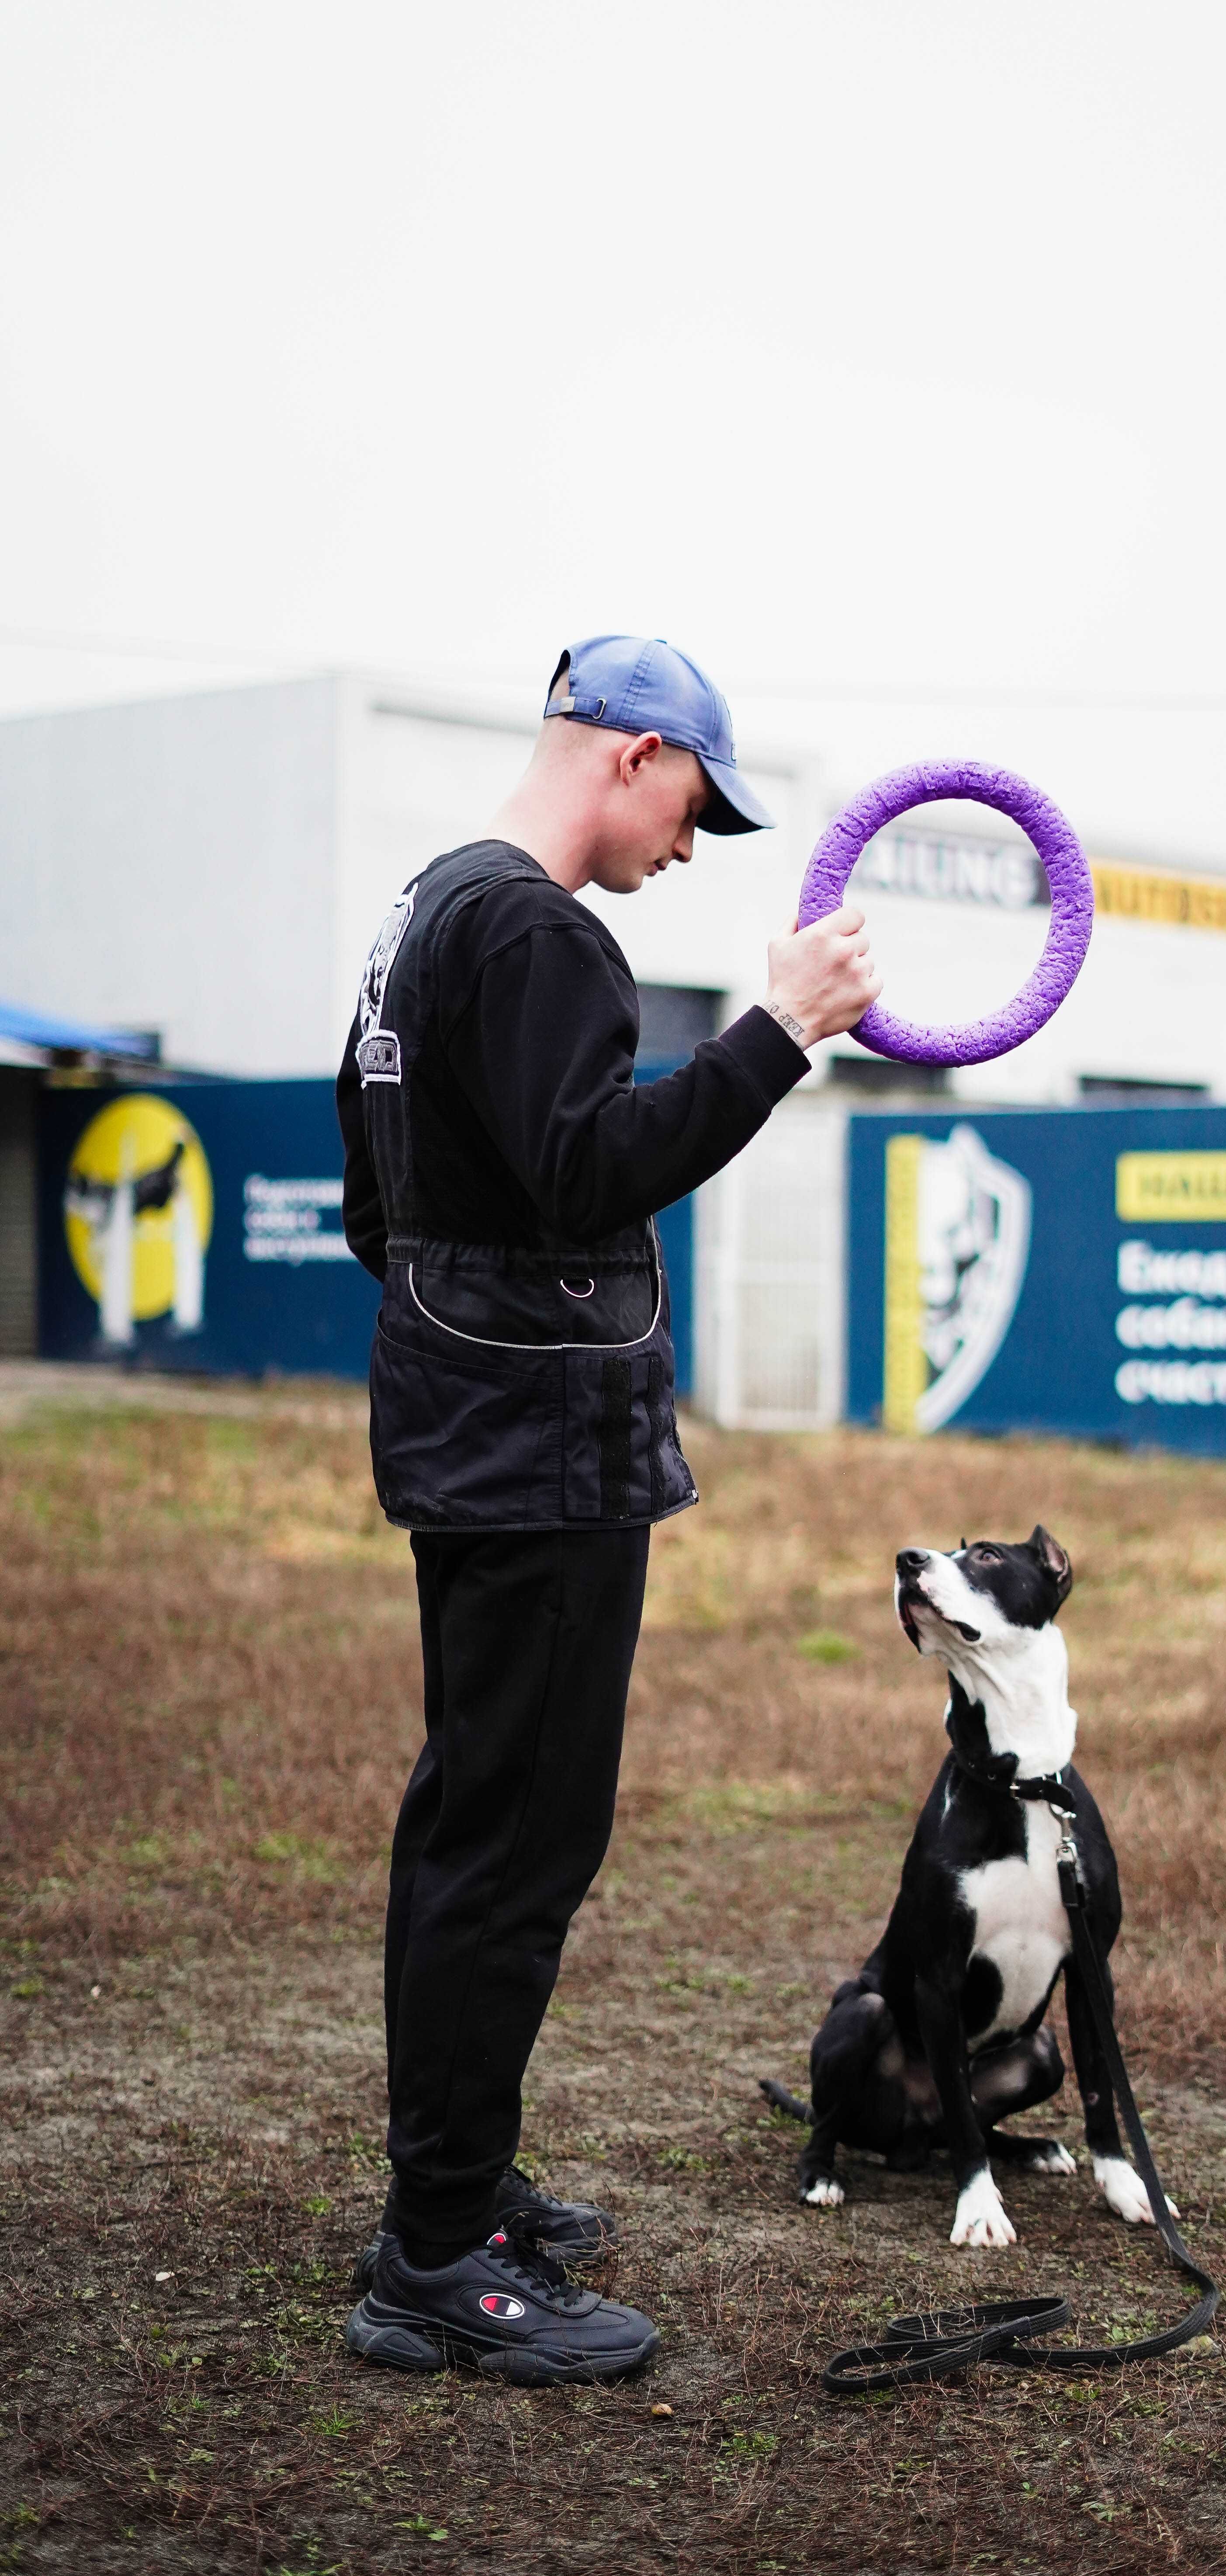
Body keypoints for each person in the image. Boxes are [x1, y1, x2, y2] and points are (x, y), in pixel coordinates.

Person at [334, 634, 879, 2383]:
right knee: (514, 1842)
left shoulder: (427, 910)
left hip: (461, 1420)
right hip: (540, 1452)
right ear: (635, 756)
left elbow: (372, 1181)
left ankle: (459, 2191)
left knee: (474, 1820)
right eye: (696, 811)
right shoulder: (548, 929)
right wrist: (777, 1036)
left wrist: (451, 1324)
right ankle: (436, 2257)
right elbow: (590, 1171)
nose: (692, 851)